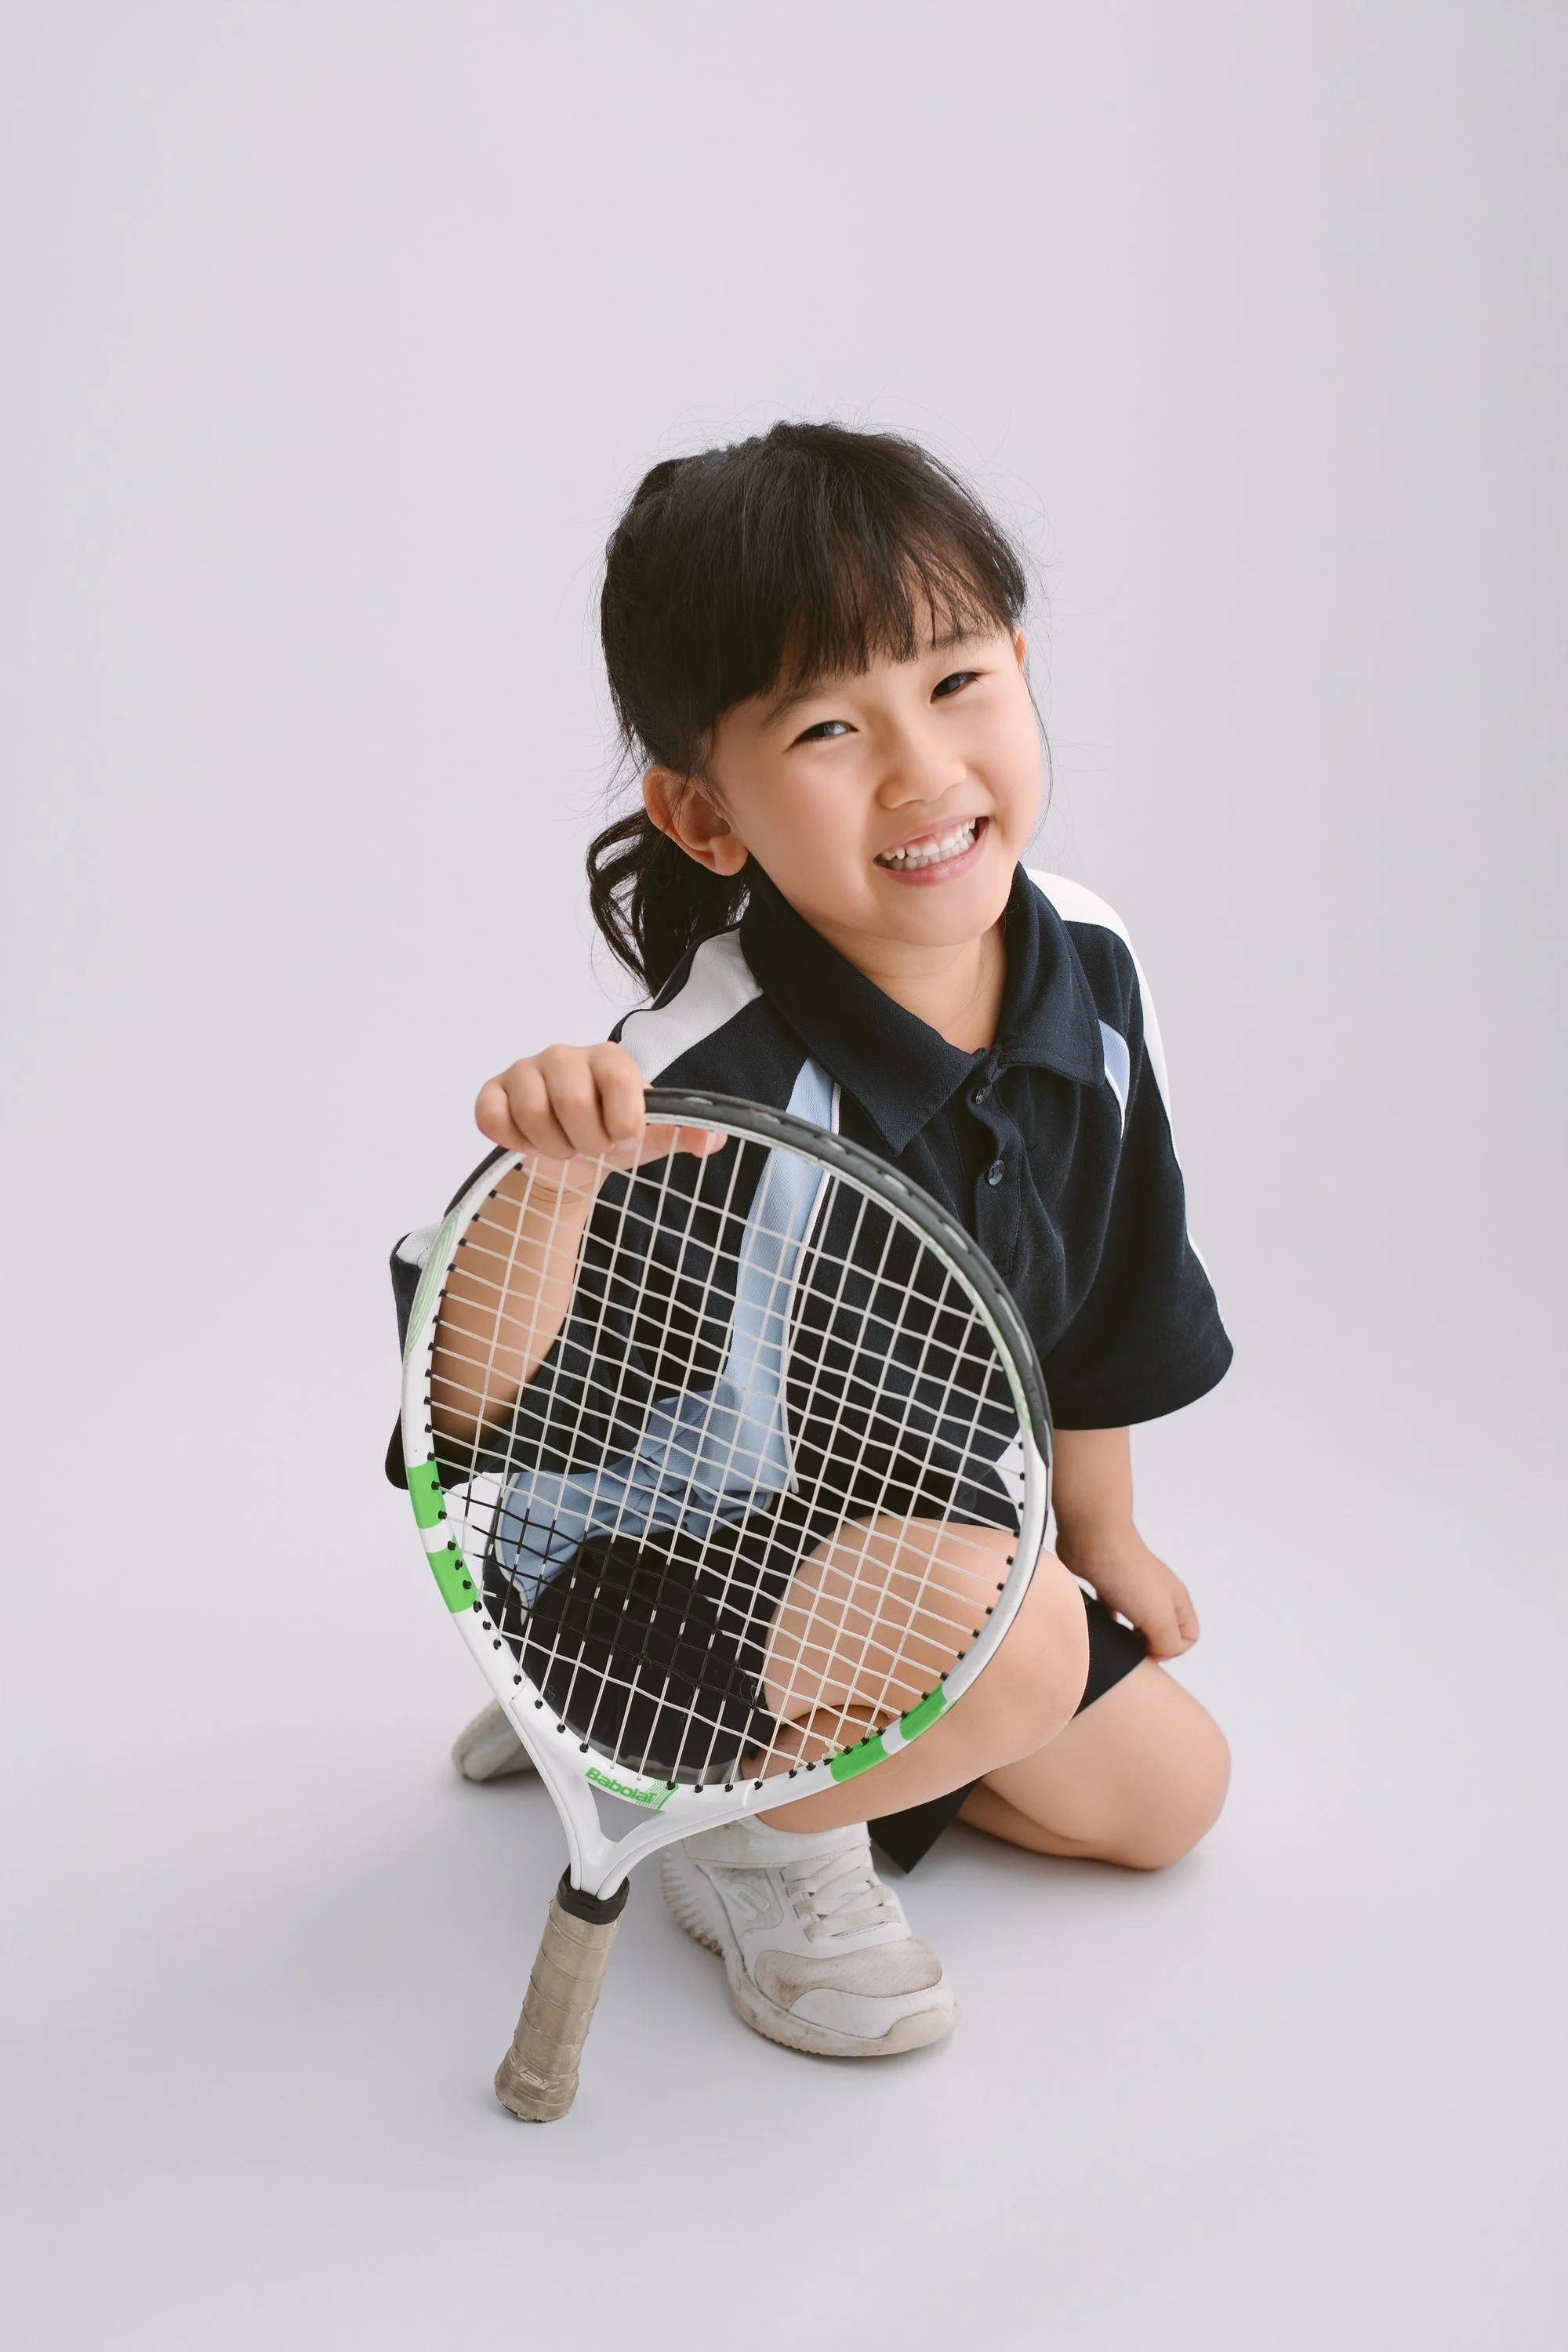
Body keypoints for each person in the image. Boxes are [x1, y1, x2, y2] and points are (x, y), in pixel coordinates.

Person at [390, 421, 1232, 2062]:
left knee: (1165, 1804)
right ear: (707, 816)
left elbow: (1110, 1285)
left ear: (1021, 667)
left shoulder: (1096, 963)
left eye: (957, 682)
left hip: (919, 1557)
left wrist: (1105, 1531)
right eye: (831, 726)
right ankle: (736, 1824)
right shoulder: (695, 1081)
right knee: (1016, 1636)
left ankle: (834, 1740)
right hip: (651, 1578)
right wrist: (552, 1181)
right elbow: (468, 1414)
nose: (921, 772)